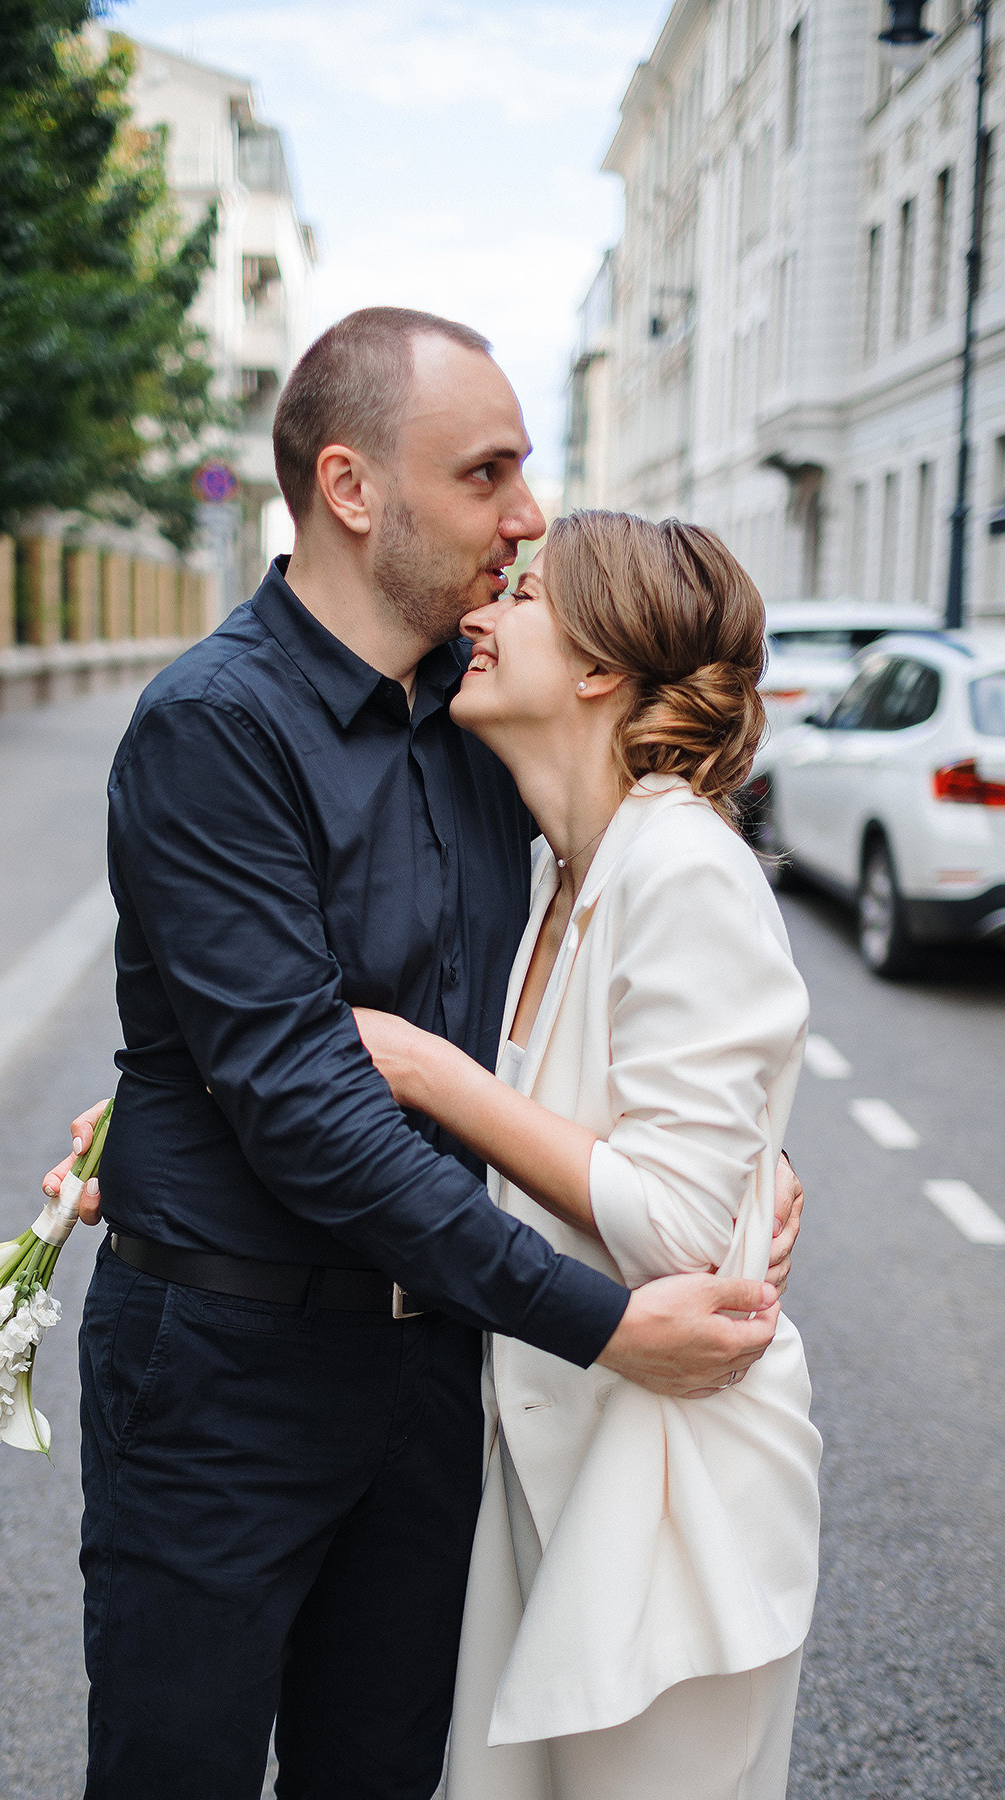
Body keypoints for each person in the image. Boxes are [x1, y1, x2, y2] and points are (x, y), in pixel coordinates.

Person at [40, 309, 804, 1800]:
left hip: (436, 1368)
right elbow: (310, 1104)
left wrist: (741, 1165)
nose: (525, 518)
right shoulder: (215, 726)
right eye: (487, 475)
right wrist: (599, 1317)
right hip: (227, 1364)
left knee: (382, 1774)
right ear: (350, 489)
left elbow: (626, 998)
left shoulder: (478, 731)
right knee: (172, 1771)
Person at [352, 512, 822, 1800]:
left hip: (673, 1496)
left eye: (524, 596)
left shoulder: (682, 869)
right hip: (554, 1454)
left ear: (602, 667)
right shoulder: (562, 875)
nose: (479, 616)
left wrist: (423, 1067)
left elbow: (673, 1222)